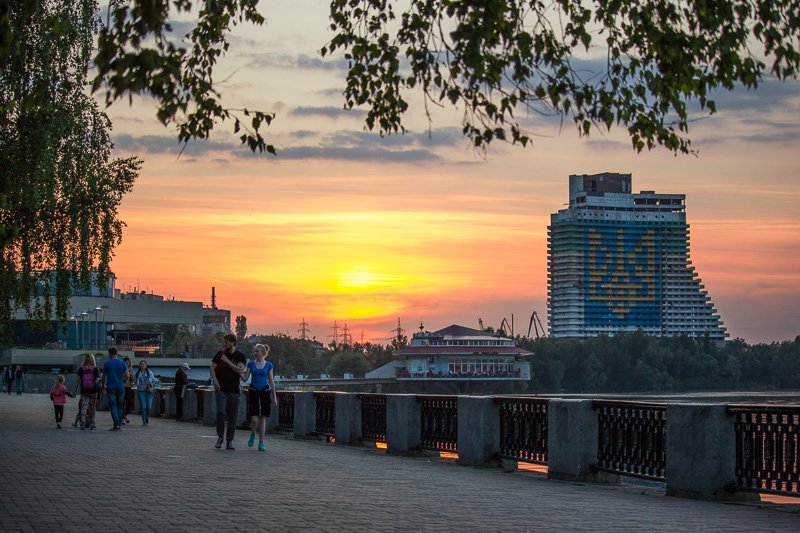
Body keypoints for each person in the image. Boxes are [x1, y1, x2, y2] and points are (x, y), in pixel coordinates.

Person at [210, 333, 246, 450]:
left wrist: (227, 361)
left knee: (232, 416)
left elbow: (239, 370)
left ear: (233, 343)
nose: (224, 344)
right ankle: (220, 437)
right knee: (221, 413)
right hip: (221, 389)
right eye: (224, 342)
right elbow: (212, 368)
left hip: (234, 391)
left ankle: (229, 441)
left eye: (226, 342)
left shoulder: (240, 356)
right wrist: (215, 381)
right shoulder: (220, 354)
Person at [240, 343, 277, 452]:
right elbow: (245, 378)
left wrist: (274, 397)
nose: (255, 353)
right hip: (253, 391)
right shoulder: (251, 364)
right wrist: (239, 372)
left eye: (257, 351)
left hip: (264, 391)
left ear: (263, 353)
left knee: (262, 418)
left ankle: (261, 442)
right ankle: (252, 434)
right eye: (254, 351)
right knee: (254, 419)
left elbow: (271, 381)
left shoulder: (269, 365)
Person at [102, 347, 128, 431]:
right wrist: (123, 382)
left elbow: (104, 376)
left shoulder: (107, 363)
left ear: (110, 353)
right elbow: (127, 375)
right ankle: (119, 424)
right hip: (120, 386)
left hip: (111, 387)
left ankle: (116, 424)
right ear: (117, 353)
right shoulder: (122, 363)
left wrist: (103, 385)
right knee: (120, 405)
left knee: (113, 405)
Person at [74, 354, 100, 430]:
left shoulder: (81, 369)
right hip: (93, 391)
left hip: (84, 391)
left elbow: (77, 381)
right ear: (93, 360)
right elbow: (97, 380)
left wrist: (74, 391)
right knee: (92, 407)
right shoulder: (95, 369)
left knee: (84, 407)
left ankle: (82, 423)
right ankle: (92, 423)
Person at [134, 360, 156, 425]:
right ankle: (143, 419)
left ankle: (146, 416)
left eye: (144, 364)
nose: (143, 365)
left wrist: (158, 382)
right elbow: (135, 383)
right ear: (139, 366)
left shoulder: (149, 372)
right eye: (141, 364)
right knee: (143, 406)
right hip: (141, 391)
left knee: (149, 407)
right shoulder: (137, 373)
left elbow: (153, 379)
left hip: (148, 391)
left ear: (146, 365)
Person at [122, 357, 134, 424]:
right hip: (122, 387)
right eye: (126, 362)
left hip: (129, 387)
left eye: (128, 362)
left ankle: (125, 415)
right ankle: (122, 418)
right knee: (122, 403)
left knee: (129, 402)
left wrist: (130, 372)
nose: (127, 363)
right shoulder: (121, 369)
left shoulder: (131, 369)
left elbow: (132, 380)